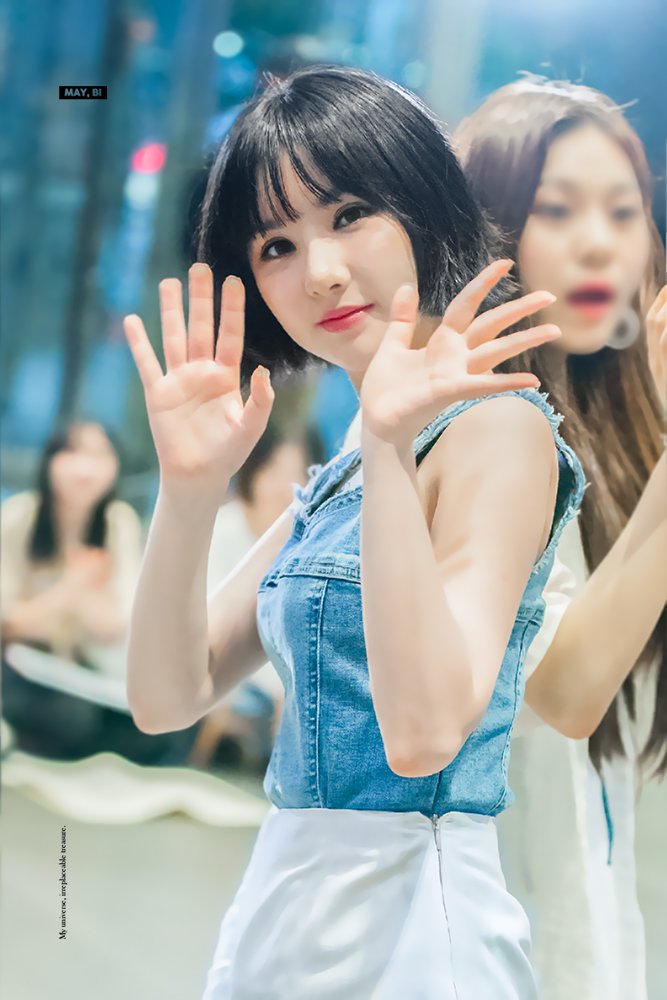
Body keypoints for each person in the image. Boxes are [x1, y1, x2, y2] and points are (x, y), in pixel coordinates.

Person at [122, 66, 586, 998]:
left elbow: (424, 735)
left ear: (419, 201)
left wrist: (386, 441)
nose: (320, 271)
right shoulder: (344, 469)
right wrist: (191, 491)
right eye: (276, 245)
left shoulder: (495, 429)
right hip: (287, 905)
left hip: (413, 925)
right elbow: (168, 697)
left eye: (348, 215)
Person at [454, 76, 667, 1000]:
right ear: (488, 226)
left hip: (582, 902)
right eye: (557, 208)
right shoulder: (471, 422)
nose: (598, 242)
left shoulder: (616, 428)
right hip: (464, 924)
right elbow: (562, 693)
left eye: (624, 212)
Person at [1, 422, 197, 764]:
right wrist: (71, 588)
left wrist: (88, 600)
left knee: (159, 730)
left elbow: (118, 627)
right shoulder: (21, 514)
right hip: (18, 664)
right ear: (49, 462)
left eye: (99, 456)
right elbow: (9, 624)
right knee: (71, 719)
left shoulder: (118, 522)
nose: (84, 468)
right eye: (72, 453)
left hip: (80, 667)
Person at [190, 419, 324, 771]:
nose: (285, 485)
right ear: (253, 471)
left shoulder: (310, 544)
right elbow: (205, 622)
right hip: (219, 670)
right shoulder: (221, 528)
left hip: (274, 686)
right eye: (273, 470)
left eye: (299, 473)